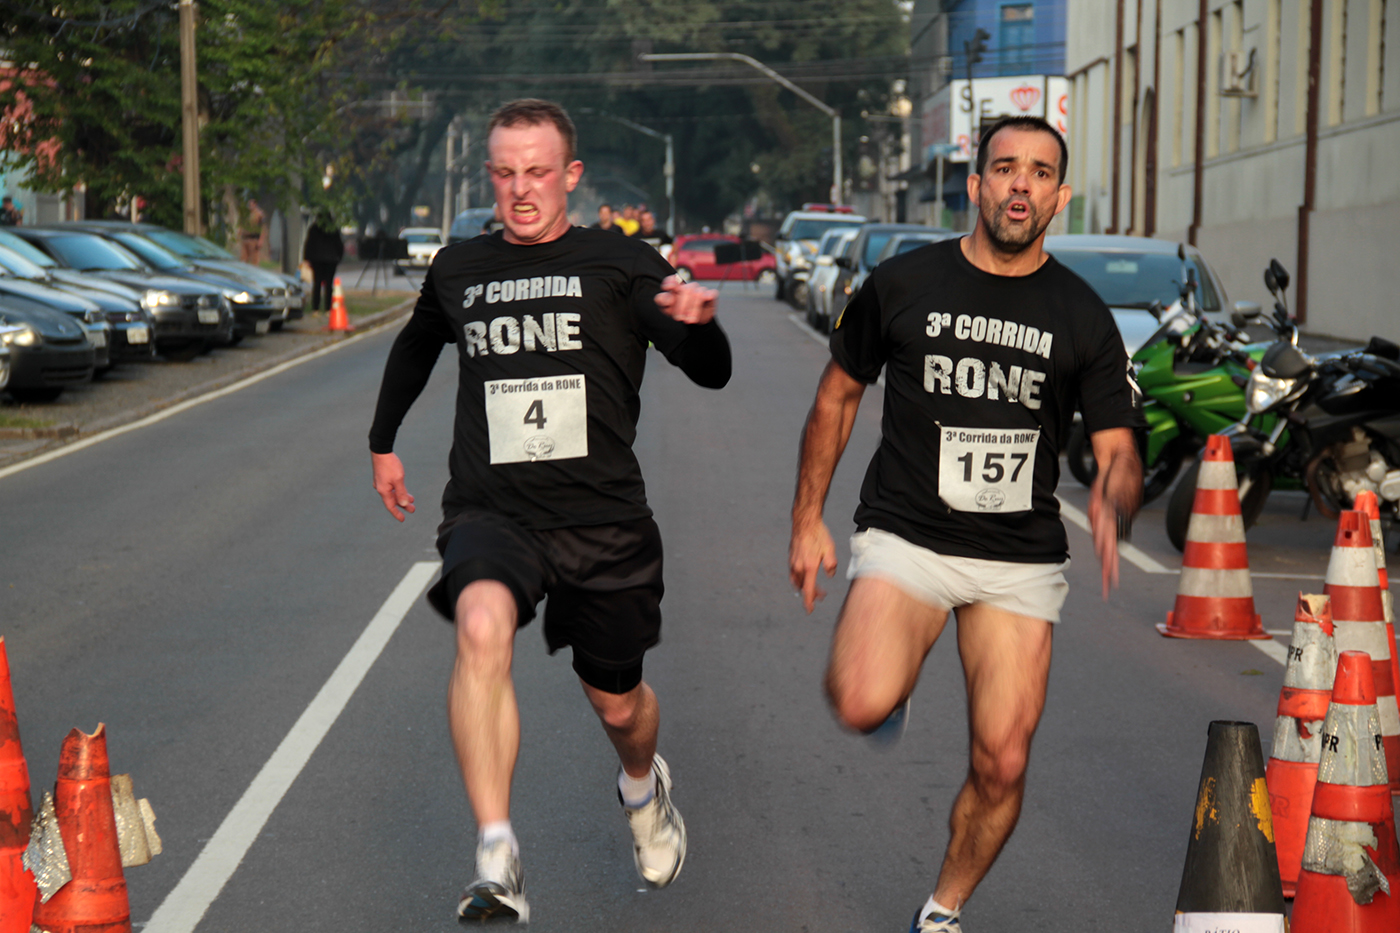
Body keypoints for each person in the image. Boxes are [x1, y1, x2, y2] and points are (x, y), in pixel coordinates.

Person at [369, 98, 731, 923]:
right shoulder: (459, 268)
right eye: (505, 173)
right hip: (493, 508)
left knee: (619, 705)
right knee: (480, 625)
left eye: (537, 172)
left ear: (571, 175)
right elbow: (417, 345)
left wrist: (702, 326)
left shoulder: (621, 262)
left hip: (605, 519)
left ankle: (642, 788)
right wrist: (382, 442)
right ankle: (497, 852)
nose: (521, 189)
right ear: (488, 175)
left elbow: (709, 369)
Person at [787, 115, 1141, 933]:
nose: (1022, 183)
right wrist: (807, 518)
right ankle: (893, 685)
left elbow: (1119, 445)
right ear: (976, 185)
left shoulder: (1083, 315)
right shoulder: (904, 283)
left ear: (1059, 196)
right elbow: (837, 396)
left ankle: (943, 909)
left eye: (1041, 172)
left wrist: (1113, 493)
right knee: (858, 699)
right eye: (1006, 167)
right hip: (908, 535)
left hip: (1017, 559)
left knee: (1003, 759)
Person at [302, 212, 344, 312]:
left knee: (317, 284)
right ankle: (328, 308)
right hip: (331, 260)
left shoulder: (314, 228)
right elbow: (339, 245)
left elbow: (309, 244)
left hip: (317, 260)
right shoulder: (333, 229)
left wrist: (307, 258)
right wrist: (339, 258)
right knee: (329, 285)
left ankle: (315, 308)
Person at [240, 199, 265, 264]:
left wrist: (261, 240)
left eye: (251, 205)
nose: (250, 206)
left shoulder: (259, 214)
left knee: (254, 260)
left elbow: (262, 228)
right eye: (249, 205)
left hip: (253, 239)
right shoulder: (247, 214)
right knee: (243, 260)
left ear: (255, 205)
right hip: (245, 239)